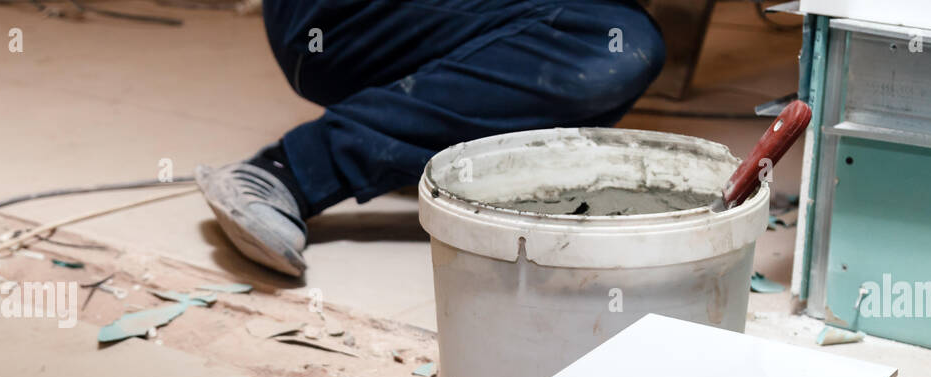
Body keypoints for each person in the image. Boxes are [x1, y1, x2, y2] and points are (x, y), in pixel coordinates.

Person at [196, 0, 666, 276]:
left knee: (614, 33)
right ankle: (288, 172)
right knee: (605, 41)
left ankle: (453, 156)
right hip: (333, 19)